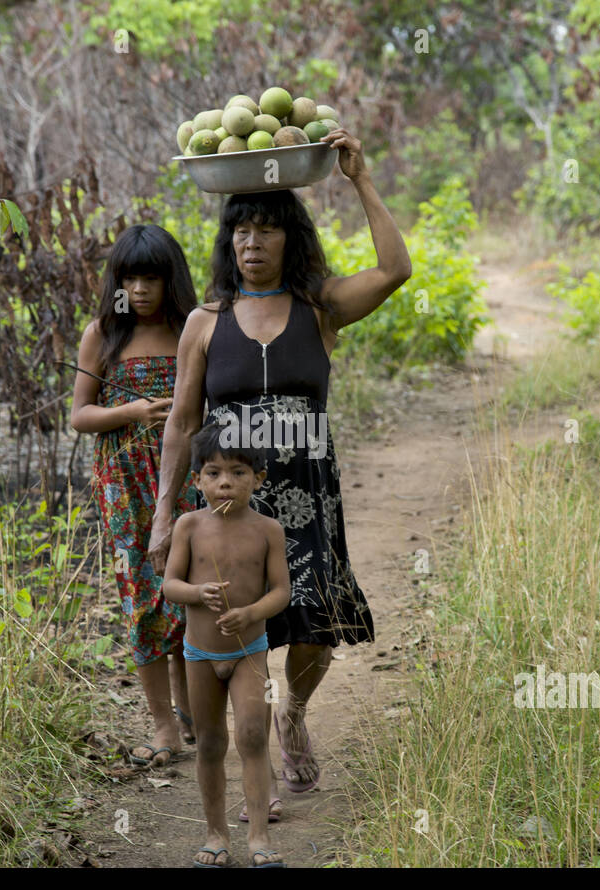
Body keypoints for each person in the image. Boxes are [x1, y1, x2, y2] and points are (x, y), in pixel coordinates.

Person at [148, 128, 411, 795]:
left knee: (315, 621)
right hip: (231, 503)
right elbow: (181, 421)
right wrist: (162, 514)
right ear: (227, 242)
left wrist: (360, 177)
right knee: (243, 632)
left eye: (267, 230)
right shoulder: (205, 322)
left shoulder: (320, 309)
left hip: (308, 493)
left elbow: (395, 270)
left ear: (290, 239)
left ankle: (293, 710)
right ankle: (257, 783)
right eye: (241, 231)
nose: (252, 242)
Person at [71, 223, 201, 768]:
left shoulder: (191, 328)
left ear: (171, 280)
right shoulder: (103, 334)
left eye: (152, 277)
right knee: (143, 598)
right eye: (131, 278)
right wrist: (131, 412)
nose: (142, 289)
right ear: (118, 282)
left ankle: (194, 709)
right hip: (125, 487)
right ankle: (163, 727)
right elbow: (80, 415)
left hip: (189, 479)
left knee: (190, 592)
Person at [162, 423, 291, 867]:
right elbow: (169, 585)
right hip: (199, 653)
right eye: (213, 473)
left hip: (250, 651)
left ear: (259, 478)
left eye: (238, 472)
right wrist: (198, 594)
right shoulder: (189, 526)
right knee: (211, 742)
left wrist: (252, 612)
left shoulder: (267, 529)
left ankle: (258, 837)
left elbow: (281, 592)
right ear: (197, 480)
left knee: (253, 736)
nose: (224, 483)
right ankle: (216, 834)